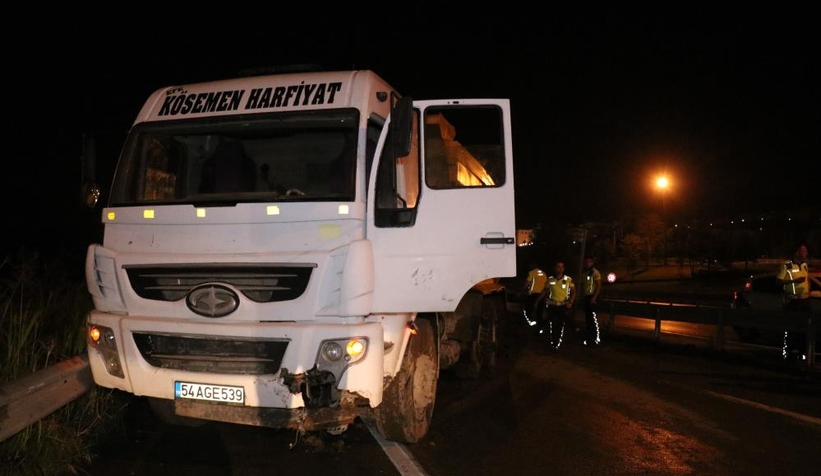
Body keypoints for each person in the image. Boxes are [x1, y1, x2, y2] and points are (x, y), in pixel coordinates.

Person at [776, 243, 821, 361]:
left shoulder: (805, 265)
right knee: (790, 329)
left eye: (806, 251)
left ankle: (802, 355)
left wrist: (809, 290)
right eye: (803, 251)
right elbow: (778, 281)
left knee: (804, 329)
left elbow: (807, 279)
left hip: (805, 302)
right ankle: (788, 355)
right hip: (792, 302)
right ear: (796, 252)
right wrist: (794, 281)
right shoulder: (787, 265)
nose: (806, 253)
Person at [534, 261, 575, 350]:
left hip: (563, 306)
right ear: (555, 268)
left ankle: (556, 343)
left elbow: (573, 291)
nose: (560, 269)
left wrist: (571, 301)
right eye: (558, 267)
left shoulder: (568, 279)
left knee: (560, 324)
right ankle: (554, 342)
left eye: (561, 267)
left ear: (564, 269)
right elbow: (545, 291)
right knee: (553, 323)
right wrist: (537, 301)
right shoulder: (550, 279)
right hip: (552, 306)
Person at [581, 256, 603, 346]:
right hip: (587, 297)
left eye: (589, 262)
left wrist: (594, 297)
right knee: (588, 319)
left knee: (593, 319)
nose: (587, 264)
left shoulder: (595, 272)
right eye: (586, 262)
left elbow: (599, 286)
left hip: (592, 297)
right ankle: (589, 338)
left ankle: (595, 338)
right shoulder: (585, 273)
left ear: (592, 263)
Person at [523, 262, 547, 328]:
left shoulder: (532, 273)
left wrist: (522, 289)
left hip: (533, 295)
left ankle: (531, 323)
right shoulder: (543, 273)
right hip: (542, 295)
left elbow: (527, 283)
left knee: (527, 309)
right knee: (539, 312)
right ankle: (540, 328)